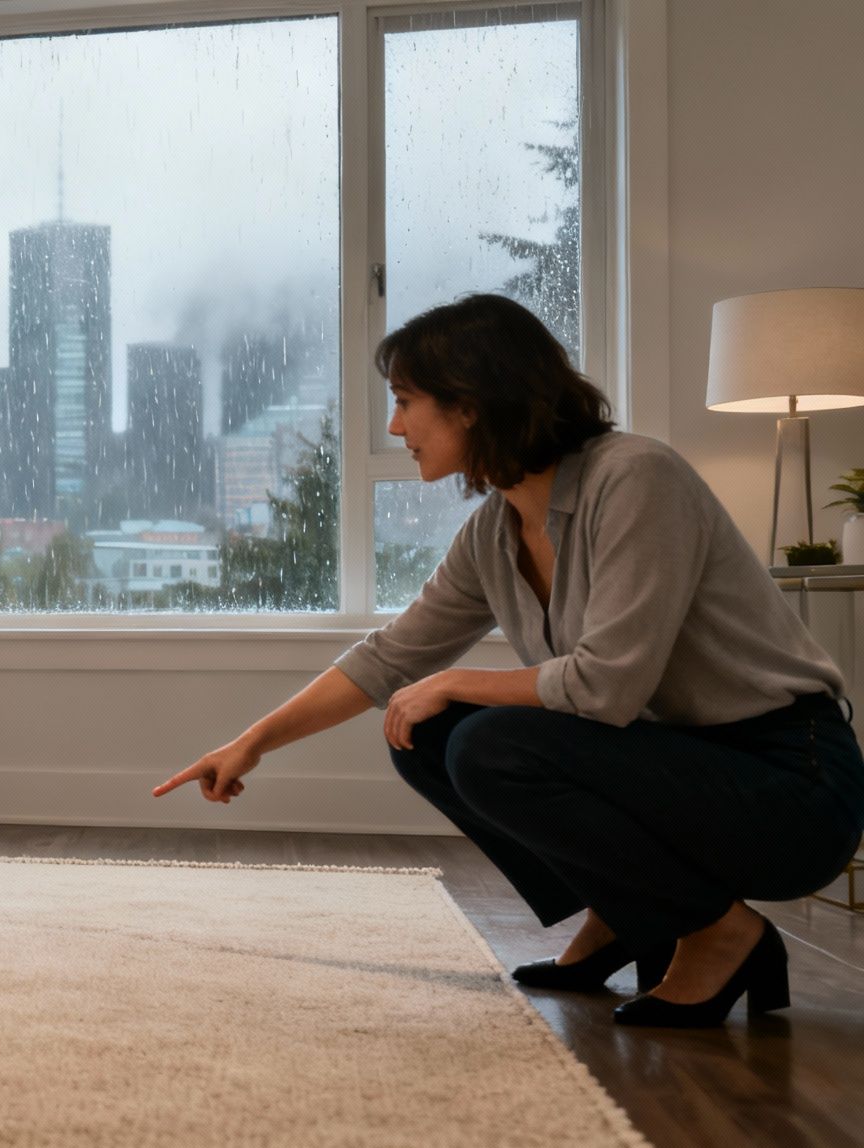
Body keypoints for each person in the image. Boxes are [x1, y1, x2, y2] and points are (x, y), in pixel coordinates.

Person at [154, 293, 863, 1029]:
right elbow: (388, 659)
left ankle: (720, 933)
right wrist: (250, 744)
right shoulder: (496, 531)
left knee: (486, 740)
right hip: (674, 770)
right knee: (424, 732)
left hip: (789, 787)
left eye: (404, 402)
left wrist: (457, 679)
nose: (395, 427)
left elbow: (608, 686)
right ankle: (626, 913)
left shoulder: (637, 477)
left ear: (470, 403)